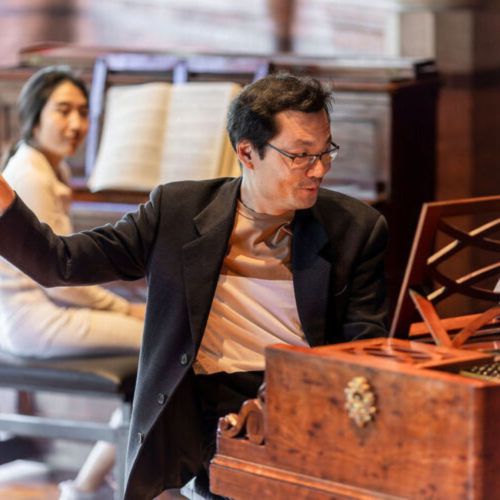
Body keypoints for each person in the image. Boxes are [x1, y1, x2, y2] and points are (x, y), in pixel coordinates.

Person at [0, 72, 388, 499]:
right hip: (211, 409)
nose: (320, 169)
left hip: (308, 404)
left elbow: (364, 347)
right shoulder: (177, 212)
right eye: (301, 155)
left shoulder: (355, 229)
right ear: (247, 152)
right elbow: (61, 262)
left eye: (325, 151)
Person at [0, 66, 146, 500]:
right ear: (34, 116)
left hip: (38, 313)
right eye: (63, 110)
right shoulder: (31, 175)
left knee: (165, 340)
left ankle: (104, 478)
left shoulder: (44, 166)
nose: (77, 124)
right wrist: (129, 307)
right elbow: (61, 278)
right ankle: (89, 485)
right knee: (169, 343)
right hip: (35, 320)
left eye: (83, 112)